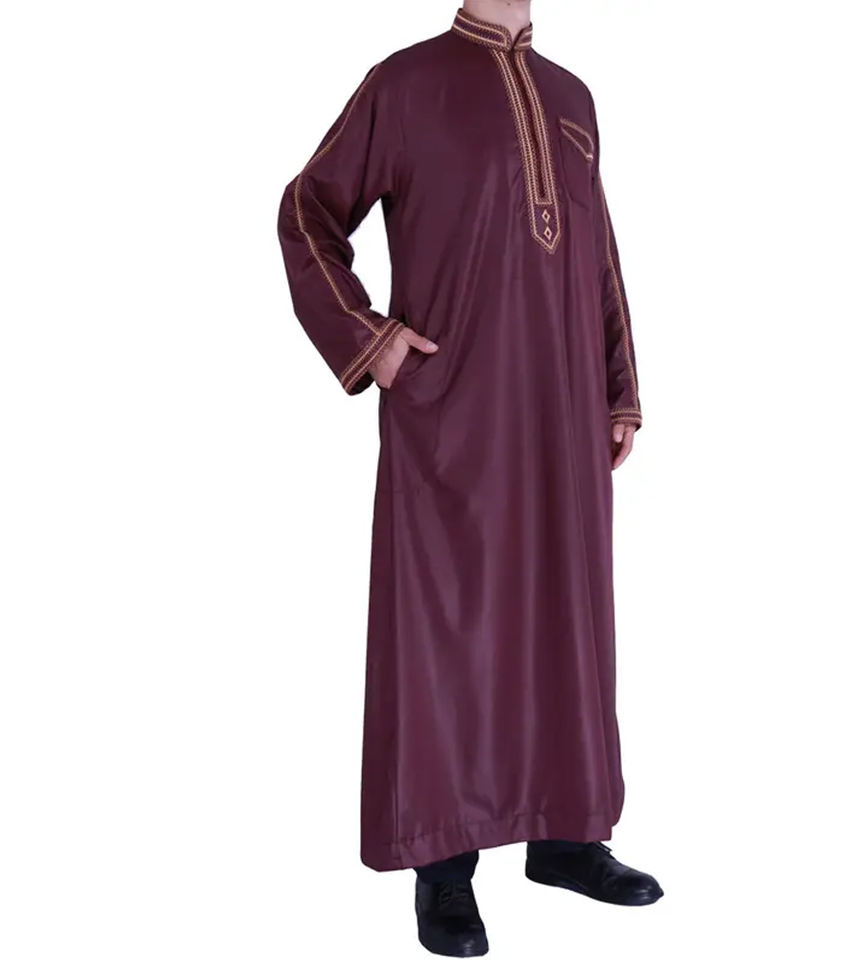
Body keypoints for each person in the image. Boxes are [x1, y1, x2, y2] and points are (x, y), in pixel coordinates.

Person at [278, 1, 662, 955]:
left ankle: (568, 836)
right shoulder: (405, 84)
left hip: (563, 406)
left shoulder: (572, 98)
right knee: (448, 624)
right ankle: (444, 867)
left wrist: (619, 388)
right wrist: (372, 340)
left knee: (567, 612)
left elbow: (599, 256)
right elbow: (306, 210)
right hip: (453, 408)